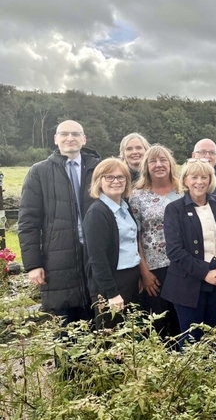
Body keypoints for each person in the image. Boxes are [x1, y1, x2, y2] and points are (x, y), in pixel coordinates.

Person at [19, 120, 100, 325]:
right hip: (58, 261)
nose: (70, 138)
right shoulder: (39, 172)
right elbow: (28, 221)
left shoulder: (99, 169)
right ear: (56, 139)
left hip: (95, 257)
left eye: (75, 134)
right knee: (66, 333)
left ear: (84, 139)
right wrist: (33, 264)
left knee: (101, 330)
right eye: (64, 134)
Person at [161, 159, 216, 345]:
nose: (199, 182)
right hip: (187, 285)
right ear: (185, 180)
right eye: (194, 177)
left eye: (204, 177)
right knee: (191, 342)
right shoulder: (174, 209)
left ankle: (213, 374)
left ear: (211, 180)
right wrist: (205, 273)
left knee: (213, 338)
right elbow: (175, 251)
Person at [131, 145, 182, 339]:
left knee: (181, 322)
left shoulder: (182, 190)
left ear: (171, 164)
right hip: (154, 272)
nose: (159, 165)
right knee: (157, 324)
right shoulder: (138, 195)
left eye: (163, 160)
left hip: (182, 267)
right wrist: (144, 272)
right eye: (153, 161)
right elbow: (135, 236)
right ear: (146, 166)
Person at [83, 158, 142, 328]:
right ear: (99, 181)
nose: (116, 181)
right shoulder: (98, 212)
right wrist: (112, 293)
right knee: (112, 342)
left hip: (129, 279)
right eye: (109, 177)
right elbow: (97, 258)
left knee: (128, 337)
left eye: (121, 177)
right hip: (110, 285)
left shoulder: (124, 207)